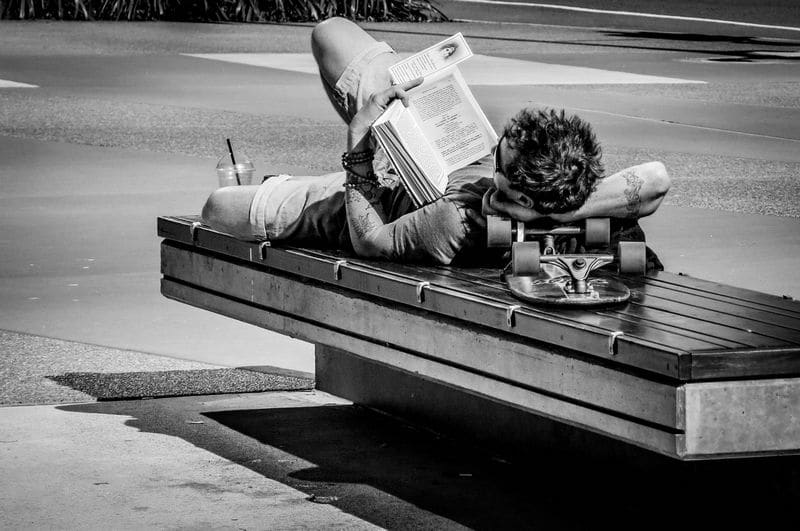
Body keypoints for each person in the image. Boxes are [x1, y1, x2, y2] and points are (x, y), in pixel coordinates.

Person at [202, 17, 670, 267]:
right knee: (331, 33)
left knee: (220, 207)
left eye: (500, 168)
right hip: (427, 147)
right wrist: (557, 214)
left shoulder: (458, 222)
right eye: (499, 150)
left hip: (376, 191)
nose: (494, 165)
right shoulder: (571, 192)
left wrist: (359, 139)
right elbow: (656, 179)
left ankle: (290, 184)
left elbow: (370, 242)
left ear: (525, 196)